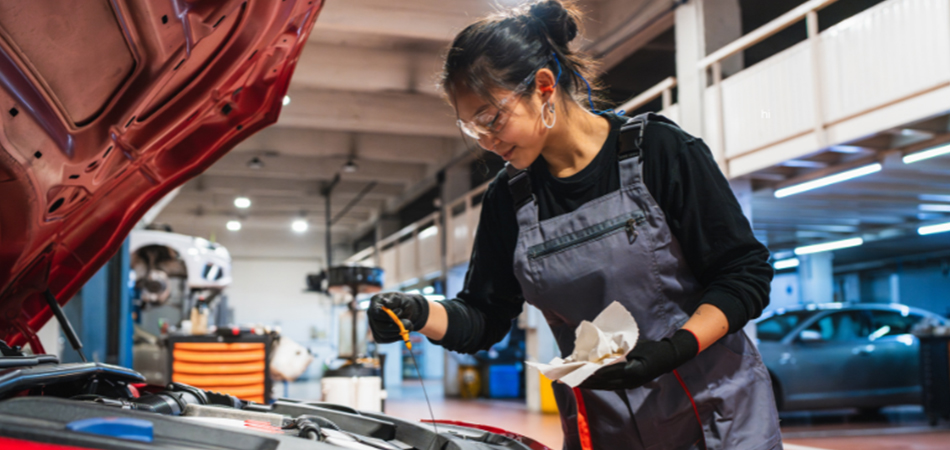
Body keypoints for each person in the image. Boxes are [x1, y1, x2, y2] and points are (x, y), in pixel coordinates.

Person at [368, 1, 781, 449]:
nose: (487, 141)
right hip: (605, 428)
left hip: (714, 417)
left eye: (492, 119)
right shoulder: (509, 200)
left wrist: (673, 349)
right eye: (473, 129)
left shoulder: (659, 152)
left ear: (543, 86)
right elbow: (485, 316)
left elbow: (744, 275)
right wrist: (417, 312)